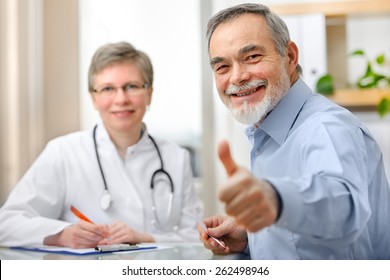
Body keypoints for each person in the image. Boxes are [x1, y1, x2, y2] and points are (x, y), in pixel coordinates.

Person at [199, 3, 390, 259]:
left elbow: (344, 206)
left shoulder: (325, 127)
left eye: (252, 57)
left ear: (289, 56)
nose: (237, 77)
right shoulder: (267, 132)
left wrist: (277, 200)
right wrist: (253, 237)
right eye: (222, 67)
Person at [0, 41, 202, 248]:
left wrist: (147, 238)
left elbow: (195, 238)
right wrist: (60, 234)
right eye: (107, 89)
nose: (121, 99)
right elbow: (6, 224)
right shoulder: (63, 152)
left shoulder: (176, 157)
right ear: (93, 98)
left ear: (149, 93)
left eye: (132, 86)